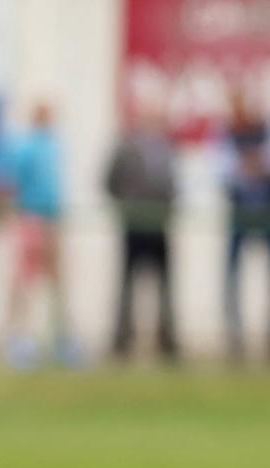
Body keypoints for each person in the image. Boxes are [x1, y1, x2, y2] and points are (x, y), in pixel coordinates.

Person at [0, 102, 81, 369]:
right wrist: (9, 218)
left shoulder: (53, 146)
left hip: (52, 218)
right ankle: (19, 339)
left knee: (58, 281)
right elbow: (6, 183)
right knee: (24, 281)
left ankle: (61, 339)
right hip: (30, 217)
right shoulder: (23, 147)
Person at [105, 105, 179, 361]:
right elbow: (109, 182)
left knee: (165, 285)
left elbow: (173, 184)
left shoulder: (166, 148)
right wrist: (127, 207)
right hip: (134, 224)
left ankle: (167, 338)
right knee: (127, 284)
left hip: (159, 224)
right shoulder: (126, 148)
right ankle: (122, 338)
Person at [219, 89, 270, 361]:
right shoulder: (228, 134)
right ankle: (233, 332)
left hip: (265, 214)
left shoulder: (264, 131)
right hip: (238, 214)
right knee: (232, 275)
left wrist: (253, 166)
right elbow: (224, 170)